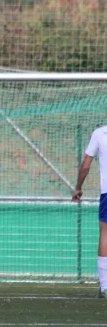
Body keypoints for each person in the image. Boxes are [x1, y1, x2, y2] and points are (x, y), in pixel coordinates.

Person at [73, 126, 107, 298]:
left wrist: (78, 187)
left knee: (106, 234)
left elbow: (86, 165)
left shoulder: (100, 133)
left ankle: (105, 286)